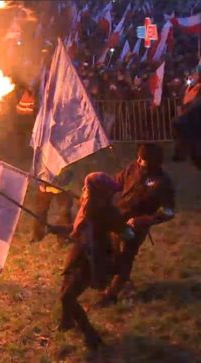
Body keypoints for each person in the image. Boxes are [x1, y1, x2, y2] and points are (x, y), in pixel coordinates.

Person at [50, 172, 135, 350]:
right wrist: (56, 229)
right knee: (66, 285)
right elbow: (77, 230)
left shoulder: (107, 213)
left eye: (87, 188)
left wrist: (128, 227)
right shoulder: (86, 208)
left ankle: (91, 335)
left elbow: (126, 233)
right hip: (79, 253)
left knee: (67, 297)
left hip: (93, 258)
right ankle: (66, 322)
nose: (84, 190)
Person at [96, 143, 176, 306]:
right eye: (138, 157)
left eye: (143, 159)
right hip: (118, 218)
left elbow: (168, 211)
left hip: (135, 227)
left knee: (126, 257)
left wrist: (143, 221)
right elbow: (117, 182)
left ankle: (111, 296)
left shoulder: (163, 182)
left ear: (153, 161)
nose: (138, 160)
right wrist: (100, 188)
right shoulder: (133, 167)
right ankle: (119, 280)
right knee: (111, 253)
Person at [30, 170, 75, 244]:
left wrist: (58, 180)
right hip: (44, 186)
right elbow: (37, 166)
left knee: (64, 213)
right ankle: (37, 237)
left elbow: (69, 170)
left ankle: (63, 239)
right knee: (40, 211)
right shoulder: (44, 158)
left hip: (64, 188)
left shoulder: (67, 159)